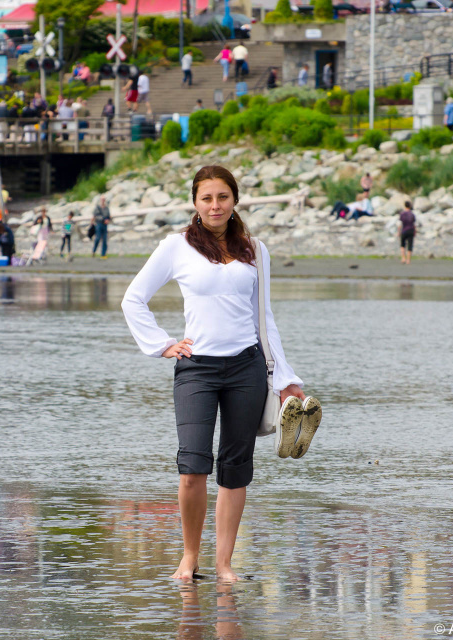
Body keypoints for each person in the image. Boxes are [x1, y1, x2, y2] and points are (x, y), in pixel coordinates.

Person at [120, 165, 311, 583]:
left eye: (222, 197)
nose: (215, 205)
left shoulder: (255, 249)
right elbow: (133, 299)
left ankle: (224, 564)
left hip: (247, 368)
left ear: (235, 200)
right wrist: (162, 345)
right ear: (195, 202)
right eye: (206, 198)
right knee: (192, 467)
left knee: (236, 466)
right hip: (196, 371)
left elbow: (266, 319)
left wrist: (286, 380)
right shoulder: (176, 246)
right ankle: (190, 557)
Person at [398, 200, 416, 265]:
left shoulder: (402, 214)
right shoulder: (412, 214)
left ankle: (403, 258)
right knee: (410, 245)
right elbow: (414, 224)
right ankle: (408, 260)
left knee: (402, 245)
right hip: (411, 230)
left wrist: (399, 231)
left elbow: (400, 224)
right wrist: (415, 231)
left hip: (404, 230)